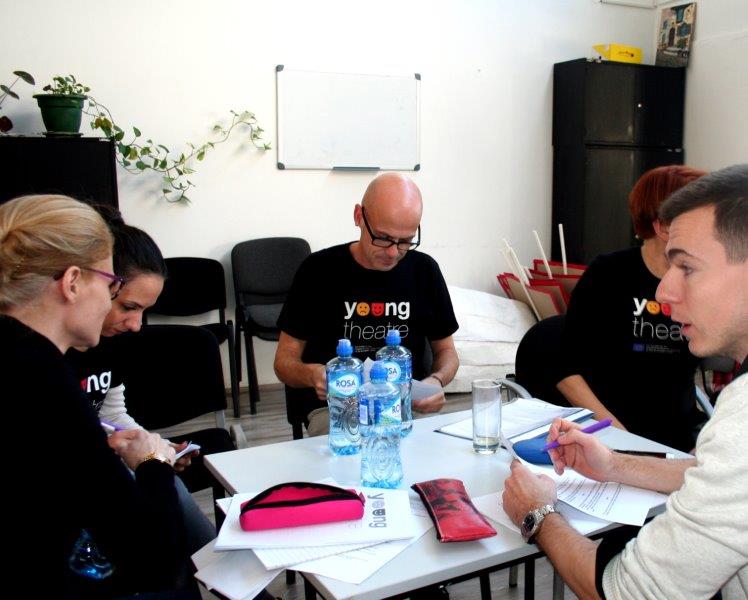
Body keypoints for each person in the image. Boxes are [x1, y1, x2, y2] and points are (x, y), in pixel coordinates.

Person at [503, 164, 748, 599]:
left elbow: (625, 591)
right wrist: (615, 463)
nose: (663, 292)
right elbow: (713, 474)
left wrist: (536, 513)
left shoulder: (741, 424)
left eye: (687, 267)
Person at [0, 195, 187, 597]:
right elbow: (153, 559)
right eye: (111, 285)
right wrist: (153, 463)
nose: (109, 301)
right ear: (72, 282)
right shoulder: (42, 379)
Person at [64, 207, 216, 554]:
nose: (136, 325)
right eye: (128, 307)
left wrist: (152, 446)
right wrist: (140, 457)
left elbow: (112, 414)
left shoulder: (111, 343)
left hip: (106, 468)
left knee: (168, 492)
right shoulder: (50, 356)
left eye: (144, 311)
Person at [274, 172, 459, 435]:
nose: (393, 252)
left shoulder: (424, 270)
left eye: (405, 241)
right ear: (359, 216)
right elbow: (283, 362)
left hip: (406, 407)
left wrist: (437, 380)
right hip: (338, 409)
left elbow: (447, 352)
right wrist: (311, 374)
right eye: (382, 237)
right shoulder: (318, 270)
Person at [556, 165, 707, 451]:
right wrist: (619, 437)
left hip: (681, 439)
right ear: (663, 226)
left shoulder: (703, 278)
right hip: (611, 434)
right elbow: (565, 370)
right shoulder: (608, 274)